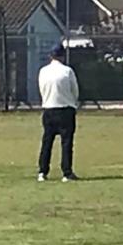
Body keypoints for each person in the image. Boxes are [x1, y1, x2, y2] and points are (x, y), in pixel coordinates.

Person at [37, 44, 80, 182]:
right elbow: (75, 91)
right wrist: (72, 102)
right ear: (62, 56)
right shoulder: (67, 71)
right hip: (65, 109)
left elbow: (41, 89)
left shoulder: (43, 71)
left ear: (51, 56)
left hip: (48, 109)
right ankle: (66, 172)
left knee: (47, 142)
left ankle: (42, 172)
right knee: (66, 142)